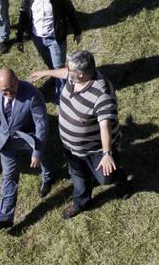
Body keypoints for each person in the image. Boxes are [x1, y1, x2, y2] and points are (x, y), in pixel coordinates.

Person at [30, 50, 125, 218]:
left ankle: (121, 180)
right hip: (71, 146)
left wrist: (107, 153)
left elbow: (105, 126)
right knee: (77, 174)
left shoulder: (101, 94)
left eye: (70, 69)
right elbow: (64, 72)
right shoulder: (75, 77)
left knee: (105, 178)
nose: (67, 71)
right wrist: (46, 73)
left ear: (81, 74)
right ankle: (81, 202)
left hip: (95, 149)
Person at [0, 66, 54, 233]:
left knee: (43, 160)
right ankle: (4, 218)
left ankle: (48, 177)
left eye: (10, 89)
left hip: (28, 138)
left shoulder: (32, 95)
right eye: (4, 91)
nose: (7, 94)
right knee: (8, 177)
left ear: (17, 81)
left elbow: (41, 126)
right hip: (6, 142)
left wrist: (36, 152)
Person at [16, 0, 81, 99]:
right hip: (38, 38)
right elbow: (23, 16)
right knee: (50, 64)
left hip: (55, 37)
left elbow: (70, 12)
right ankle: (56, 77)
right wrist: (19, 37)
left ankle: (62, 99)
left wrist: (77, 31)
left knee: (58, 66)